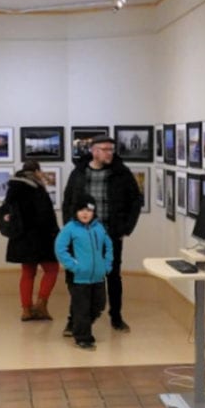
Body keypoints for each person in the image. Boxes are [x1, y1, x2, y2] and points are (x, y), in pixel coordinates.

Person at [62, 134, 142, 331]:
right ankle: (74, 319)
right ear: (94, 151)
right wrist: (69, 227)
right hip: (81, 235)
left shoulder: (121, 173)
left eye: (111, 149)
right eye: (105, 149)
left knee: (113, 276)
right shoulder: (79, 173)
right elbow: (68, 201)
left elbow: (135, 201)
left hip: (110, 234)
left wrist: (126, 228)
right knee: (79, 276)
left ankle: (116, 316)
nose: (109, 153)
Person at [3, 159, 60, 321]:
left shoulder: (13, 188)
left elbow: (7, 212)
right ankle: (41, 305)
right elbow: (46, 215)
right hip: (42, 237)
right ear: (36, 172)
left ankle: (26, 310)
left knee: (27, 273)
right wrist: (55, 234)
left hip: (22, 238)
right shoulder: (37, 189)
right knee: (52, 269)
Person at [54, 194, 112, 349]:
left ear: (94, 212)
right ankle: (83, 337)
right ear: (75, 212)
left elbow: (108, 247)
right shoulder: (70, 229)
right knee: (82, 308)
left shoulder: (99, 228)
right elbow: (60, 249)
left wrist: (106, 265)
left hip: (98, 277)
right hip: (78, 278)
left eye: (88, 210)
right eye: (81, 210)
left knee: (99, 305)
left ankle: (78, 326)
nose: (85, 213)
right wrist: (74, 266)